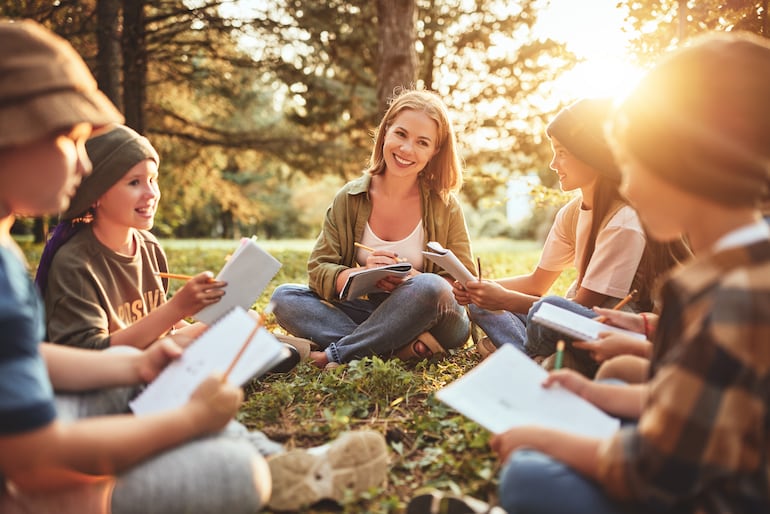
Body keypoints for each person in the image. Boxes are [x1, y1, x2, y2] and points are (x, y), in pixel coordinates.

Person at [0, 19, 388, 514]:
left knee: (166, 390)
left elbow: (26, 358)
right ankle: (267, 468)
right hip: (31, 476)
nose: (81, 166)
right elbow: (31, 458)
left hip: (51, 430)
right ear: (13, 138)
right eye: (69, 140)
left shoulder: (9, 251)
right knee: (232, 470)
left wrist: (141, 362)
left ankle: (284, 465)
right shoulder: (60, 261)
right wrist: (190, 421)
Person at [477, 31, 770, 514]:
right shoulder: (744, 265)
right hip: (719, 454)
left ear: (683, 167)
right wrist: (591, 390)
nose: (628, 182)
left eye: (632, 165)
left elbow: (655, 473)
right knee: (612, 385)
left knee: (529, 476)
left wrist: (544, 439)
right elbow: (701, 399)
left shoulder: (722, 294)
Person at [34, 123, 302, 371]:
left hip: (161, 352)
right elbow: (90, 357)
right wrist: (177, 308)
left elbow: (168, 328)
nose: (151, 194)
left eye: (153, 179)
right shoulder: (76, 263)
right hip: (111, 373)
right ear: (96, 194)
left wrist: (204, 319)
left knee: (240, 323)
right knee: (220, 341)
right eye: (134, 182)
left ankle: (281, 353)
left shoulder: (148, 246)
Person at [455, 97, 689, 376]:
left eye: (562, 152)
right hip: (567, 322)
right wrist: (479, 289)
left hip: (610, 326)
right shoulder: (572, 213)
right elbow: (536, 283)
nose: (554, 164)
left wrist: (504, 299)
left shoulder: (624, 221)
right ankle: (539, 360)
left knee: (549, 309)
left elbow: (582, 309)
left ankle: (529, 359)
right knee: (485, 309)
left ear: (592, 154)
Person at [270, 89, 475, 368]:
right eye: (401, 134)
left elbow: (464, 286)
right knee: (285, 297)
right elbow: (318, 271)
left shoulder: (445, 205)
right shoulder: (350, 197)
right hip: (376, 314)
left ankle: (336, 354)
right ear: (386, 131)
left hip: (437, 319)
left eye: (422, 142)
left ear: (434, 151)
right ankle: (397, 349)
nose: (406, 150)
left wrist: (412, 280)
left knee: (431, 285)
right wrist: (362, 273)